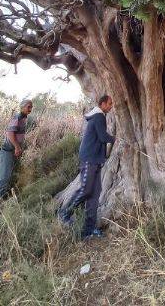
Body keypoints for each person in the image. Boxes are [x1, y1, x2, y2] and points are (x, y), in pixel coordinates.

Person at [58, 94, 115, 239]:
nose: (111, 106)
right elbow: (103, 137)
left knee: (95, 195)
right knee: (86, 188)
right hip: (89, 159)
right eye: (109, 103)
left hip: (95, 159)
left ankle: (88, 230)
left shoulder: (97, 116)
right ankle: (65, 213)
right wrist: (116, 138)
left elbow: (100, 137)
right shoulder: (99, 116)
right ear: (102, 104)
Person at [0, 98, 33, 199]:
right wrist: (17, 147)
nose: (30, 109)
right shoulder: (17, 117)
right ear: (22, 107)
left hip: (13, 151)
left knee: (10, 176)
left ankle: (4, 198)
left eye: (31, 107)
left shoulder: (23, 118)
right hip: (8, 151)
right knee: (4, 178)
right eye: (28, 107)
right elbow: (10, 134)